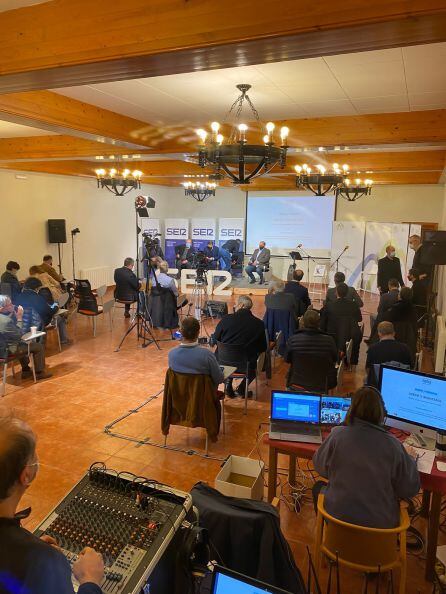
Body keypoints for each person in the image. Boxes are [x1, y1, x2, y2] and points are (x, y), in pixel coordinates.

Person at [0, 411, 104, 593]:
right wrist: (90, 580)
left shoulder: (39, 558)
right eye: (34, 453)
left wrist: (30, 547)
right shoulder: (42, 562)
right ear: (26, 475)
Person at [312, 387, 420, 528]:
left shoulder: (337, 435)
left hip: (336, 522)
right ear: (383, 414)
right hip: (381, 531)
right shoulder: (394, 446)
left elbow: (319, 467)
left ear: (351, 409)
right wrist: (411, 460)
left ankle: (330, 541)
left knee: (318, 488)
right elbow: (410, 489)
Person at [212, 295, 267, 398]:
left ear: (241, 305)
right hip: (245, 365)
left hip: (222, 362)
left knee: (229, 355)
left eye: (236, 303)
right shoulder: (259, 324)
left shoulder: (226, 319)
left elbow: (215, 339)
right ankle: (242, 388)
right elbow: (262, 347)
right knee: (259, 360)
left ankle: (228, 384)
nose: (234, 305)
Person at [0, 295, 51, 380]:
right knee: (38, 346)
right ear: (1, 308)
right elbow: (19, 335)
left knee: (22, 344)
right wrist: (19, 318)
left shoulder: (5, 319)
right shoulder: (6, 321)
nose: (12, 305)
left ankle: (26, 371)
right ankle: (39, 372)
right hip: (8, 351)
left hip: (2, 349)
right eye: (9, 304)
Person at [285, 309, 338, 389]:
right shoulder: (329, 340)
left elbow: (287, 359)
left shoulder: (293, 339)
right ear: (319, 323)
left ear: (303, 322)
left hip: (297, 382)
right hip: (322, 383)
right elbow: (335, 359)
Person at [168, 317, 224, 387]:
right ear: (198, 333)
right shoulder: (207, 355)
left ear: (180, 332)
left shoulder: (172, 354)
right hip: (203, 396)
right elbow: (219, 379)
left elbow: (176, 335)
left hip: (180, 395)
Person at [16, 277, 71, 345]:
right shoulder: (37, 297)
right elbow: (50, 312)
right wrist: (56, 306)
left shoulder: (19, 296)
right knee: (60, 318)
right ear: (36, 288)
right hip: (39, 323)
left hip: (23, 324)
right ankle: (64, 340)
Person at [320, 282, 362, 364]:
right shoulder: (353, 305)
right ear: (347, 293)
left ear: (336, 292)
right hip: (349, 335)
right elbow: (359, 319)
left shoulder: (329, 305)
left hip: (332, 335)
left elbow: (323, 322)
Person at [365, 321, 412, 387]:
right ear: (394, 333)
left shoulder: (372, 348)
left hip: (378, 386)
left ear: (379, 333)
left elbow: (368, 369)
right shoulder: (405, 348)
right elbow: (409, 369)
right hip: (399, 384)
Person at [382, 286, 418, 362]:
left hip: (395, 337)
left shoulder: (395, 308)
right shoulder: (413, 309)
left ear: (400, 296)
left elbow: (386, 319)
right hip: (409, 340)